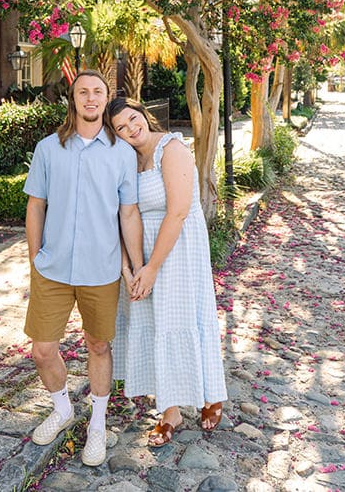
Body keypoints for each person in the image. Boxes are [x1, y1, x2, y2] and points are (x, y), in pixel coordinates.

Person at [22, 70, 142, 467]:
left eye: (98, 92)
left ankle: (97, 423)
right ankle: (62, 409)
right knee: (42, 351)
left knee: (98, 345)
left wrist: (135, 267)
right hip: (52, 269)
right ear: (71, 99)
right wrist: (36, 258)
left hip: (101, 269)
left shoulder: (122, 153)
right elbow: (36, 204)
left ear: (106, 99)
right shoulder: (47, 149)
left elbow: (128, 214)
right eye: (82, 92)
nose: (90, 98)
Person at [105, 97, 227, 446]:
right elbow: (122, 214)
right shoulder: (127, 158)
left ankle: (208, 394)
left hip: (178, 249)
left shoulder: (170, 148)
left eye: (133, 119)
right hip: (141, 250)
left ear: (143, 114)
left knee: (184, 319)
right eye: (121, 128)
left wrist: (153, 267)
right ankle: (170, 409)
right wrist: (131, 268)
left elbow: (177, 212)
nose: (131, 128)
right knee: (154, 324)